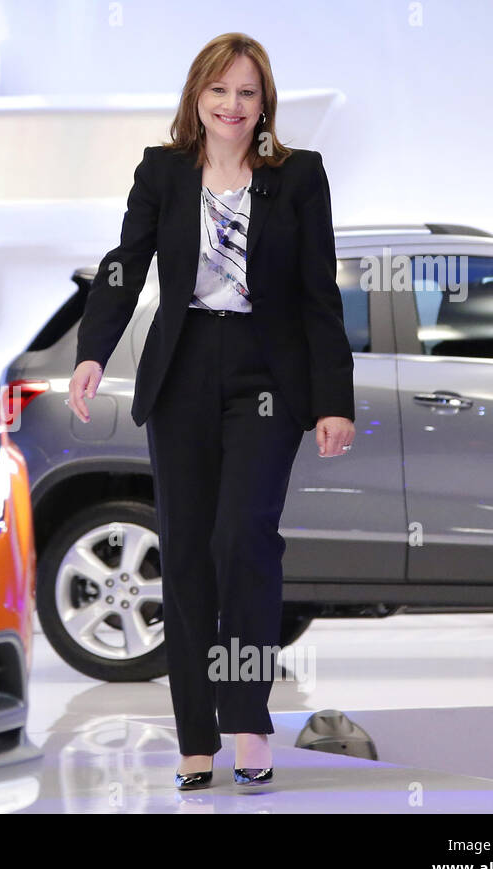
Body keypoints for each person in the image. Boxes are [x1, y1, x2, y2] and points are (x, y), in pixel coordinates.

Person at [67, 32, 356, 790]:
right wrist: (93, 348)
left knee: (244, 540)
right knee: (188, 552)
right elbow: (125, 266)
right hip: (184, 367)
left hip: (266, 374)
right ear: (197, 96)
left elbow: (320, 294)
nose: (233, 105)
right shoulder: (163, 172)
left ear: (266, 103)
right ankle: (197, 737)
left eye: (248, 92)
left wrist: (334, 400)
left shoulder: (298, 178)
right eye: (219, 90)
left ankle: (248, 718)